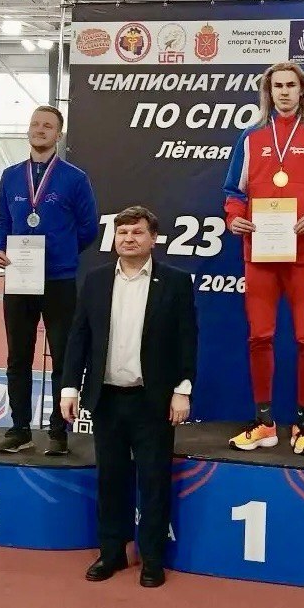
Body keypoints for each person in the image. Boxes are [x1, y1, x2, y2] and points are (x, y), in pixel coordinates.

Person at [59, 206, 197, 587]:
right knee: (110, 479)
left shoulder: (175, 282)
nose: (128, 239)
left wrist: (182, 390)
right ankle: (112, 552)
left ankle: (151, 558)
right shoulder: (96, 281)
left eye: (137, 232)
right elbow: (79, 337)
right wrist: (70, 387)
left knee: (153, 481)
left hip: (153, 401)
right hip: (106, 399)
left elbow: (187, 340)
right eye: (122, 233)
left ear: (153, 239)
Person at [223, 61, 304, 456]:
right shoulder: (251, 137)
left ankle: (303, 426)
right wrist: (234, 219)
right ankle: (264, 423)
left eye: (291, 85)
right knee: (259, 337)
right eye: (277, 86)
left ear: (303, 91)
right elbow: (234, 193)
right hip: (260, 254)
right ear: (268, 92)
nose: (284, 92)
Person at [0, 105, 98, 456]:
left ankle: (58, 431)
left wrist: (62, 252)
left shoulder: (74, 178)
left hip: (59, 280)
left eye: (48, 126)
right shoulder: (10, 176)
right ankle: (19, 428)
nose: (40, 130)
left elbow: (88, 227)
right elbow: (2, 220)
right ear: (29, 130)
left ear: (59, 134)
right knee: (18, 357)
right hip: (19, 279)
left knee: (63, 357)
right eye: (35, 124)